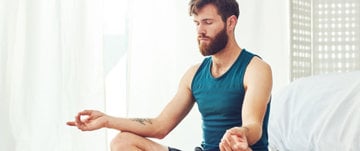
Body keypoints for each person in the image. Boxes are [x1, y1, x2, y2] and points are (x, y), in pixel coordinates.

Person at [67, 0, 272, 150]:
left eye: (208, 22)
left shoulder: (255, 69)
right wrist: (106, 120)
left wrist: (241, 134)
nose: (200, 30)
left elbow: (253, 126)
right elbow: (160, 126)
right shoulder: (194, 75)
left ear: (231, 23)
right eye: (196, 23)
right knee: (122, 142)